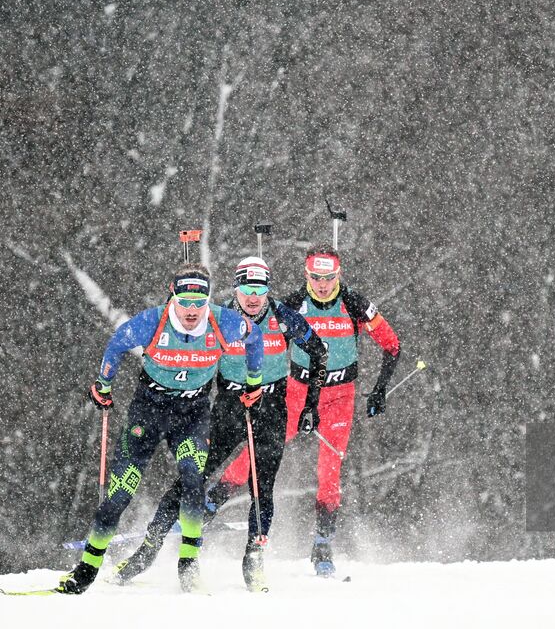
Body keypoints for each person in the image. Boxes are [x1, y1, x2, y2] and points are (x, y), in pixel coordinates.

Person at [112, 255, 327, 592]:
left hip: (270, 408)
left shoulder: (283, 318)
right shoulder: (218, 319)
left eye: (260, 289)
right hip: (228, 406)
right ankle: (148, 548)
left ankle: (254, 558)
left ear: (268, 290)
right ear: (236, 288)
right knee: (191, 478)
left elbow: (319, 351)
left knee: (262, 488)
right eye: (246, 288)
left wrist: (310, 405)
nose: (253, 297)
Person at [56, 264, 263, 595]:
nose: (192, 310)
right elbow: (117, 343)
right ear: (173, 296)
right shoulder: (153, 321)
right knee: (120, 492)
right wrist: (103, 385)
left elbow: (256, 338)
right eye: (185, 301)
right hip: (150, 410)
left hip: (192, 413)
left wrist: (254, 382)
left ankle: (189, 564)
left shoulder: (224, 321)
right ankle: (87, 568)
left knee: (193, 481)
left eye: (200, 302)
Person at [216, 246, 401, 576]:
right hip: (296, 392)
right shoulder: (291, 304)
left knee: (330, 470)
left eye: (329, 278)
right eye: (316, 278)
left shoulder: (355, 304)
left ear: (338, 275)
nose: (323, 285)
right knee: (258, 452)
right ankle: (210, 504)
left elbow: (392, 345)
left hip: (341, 396)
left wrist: (380, 389)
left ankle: (322, 544)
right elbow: (260, 337)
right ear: (307, 275)